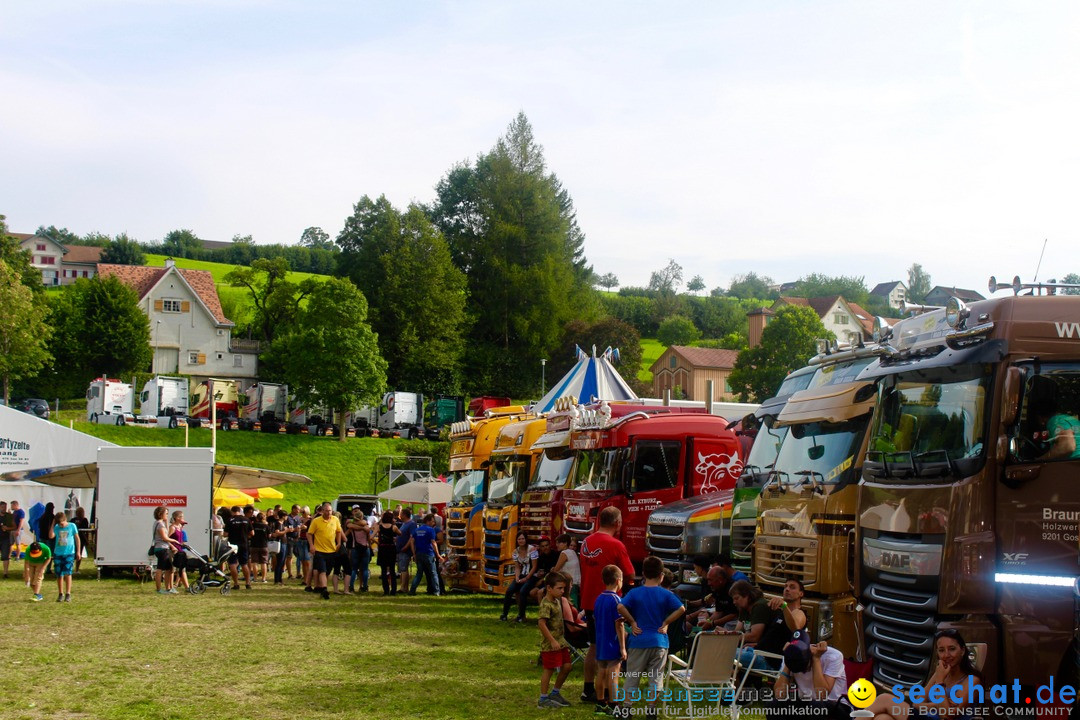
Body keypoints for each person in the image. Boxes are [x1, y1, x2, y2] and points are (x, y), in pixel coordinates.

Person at [578, 506, 635, 704]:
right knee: (613, 650)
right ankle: (611, 693)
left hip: (589, 600)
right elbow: (629, 574)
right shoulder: (616, 544)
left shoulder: (586, 542)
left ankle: (588, 689)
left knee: (593, 646)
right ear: (617, 523)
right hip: (611, 602)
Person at [616, 556, 686, 714]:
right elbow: (681, 609)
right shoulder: (666, 594)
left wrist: (632, 622)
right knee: (656, 677)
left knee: (633, 675)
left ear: (643, 574)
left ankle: (627, 708)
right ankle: (651, 709)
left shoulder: (635, 593)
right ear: (662, 575)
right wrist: (666, 622)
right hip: (659, 641)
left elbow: (620, 606)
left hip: (639, 640)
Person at [867, 629, 982, 720]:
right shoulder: (939, 674)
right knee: (883, 718)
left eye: (952, 649)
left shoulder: (972, 681)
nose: (946, 655)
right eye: (941, 650)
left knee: (884, 699)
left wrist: (940, 681)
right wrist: (936, 705)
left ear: (962, 651)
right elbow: (916, 704)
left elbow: (947, 715)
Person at [769, 634, 849, 720]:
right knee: (773, 705)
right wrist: (788, 661)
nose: (803, 672)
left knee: (817, 705)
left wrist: (816, 659)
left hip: (836, 703)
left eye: (804, 667)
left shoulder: (833, 656)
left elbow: (822, 695)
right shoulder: (791, 655)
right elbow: (779, 694)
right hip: (807, 701)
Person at [537, 571, 574, 709]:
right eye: (559, 588)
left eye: (564, 588)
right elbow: (541, 623)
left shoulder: (557, 601)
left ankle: (555, 692)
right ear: (549, 588)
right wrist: (552, 640)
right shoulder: (546, 604)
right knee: (549, 670)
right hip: (550, 644)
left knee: (567, 666)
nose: (562, 591)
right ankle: (543, 698)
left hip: (561, 642)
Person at [593, 564, 627, 714]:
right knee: (614, 673)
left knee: (601, 671)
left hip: (600, 641)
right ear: (619, 580)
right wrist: (623, 647)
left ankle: (600, 702)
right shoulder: (616, 600)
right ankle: (614, 704)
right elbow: (619, 624)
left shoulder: (599, 599)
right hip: (612, 642)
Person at [730, 579, 785, 670]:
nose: (734, 602)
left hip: (765, 656)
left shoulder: (759, 606)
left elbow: (754, 636)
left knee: (725, 653)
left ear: (747, 596)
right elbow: (737, 632)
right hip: (752, 649)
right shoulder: (744, 608)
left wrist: (730, 636)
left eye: (736, 598)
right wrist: (726, 634)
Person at [307, 502, 344, 600]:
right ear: (322, 511)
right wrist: (311, 545)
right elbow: (309, 534)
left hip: (332, 550)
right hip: (319, 551)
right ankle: (324, 589)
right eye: (326, 511)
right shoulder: (316, 521)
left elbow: (339, 531)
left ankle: (322, 587)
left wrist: (339, 542)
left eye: (330, 511)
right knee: (322, 571)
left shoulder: (335, 520)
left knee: (327, 571)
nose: (328, 513)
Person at [500, 532, 538, 621]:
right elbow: (517, 567)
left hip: (531, 575)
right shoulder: (515, 551)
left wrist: (527, 578)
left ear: (526, 539)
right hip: (521, 574)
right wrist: (517, 577)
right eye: (519, 539)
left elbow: (535, 566)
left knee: (522, 591)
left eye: (523, 539)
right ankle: (504, 614)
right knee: (509, 591)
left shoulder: (532, 549)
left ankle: (521, 615)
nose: (521, 541)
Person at [685, 566, 737, 631]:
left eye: (710, 580)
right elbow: (718, 612)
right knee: (703, 615)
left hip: (735, 620)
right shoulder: (717, 588)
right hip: (723, 617)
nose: (708, 583)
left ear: (720, 580)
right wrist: (708, 622)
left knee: (724, 626)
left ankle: (696, 631)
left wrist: (712, 623)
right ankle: (695, 631)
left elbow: (733, 614)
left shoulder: (733, 589)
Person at [407, 513, 443, 596]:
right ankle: (436, 591)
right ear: (428, 521)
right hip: (429, 554)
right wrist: (437, 554)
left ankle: (412, 590)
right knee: (433, 573)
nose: (433, 523)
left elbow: (412, 542)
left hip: (419, 553)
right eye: (432, 521)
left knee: (419, 573)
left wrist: (414, 553)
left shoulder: (417, 530)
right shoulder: (431, 530)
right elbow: (433, 542)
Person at [50, 511, 80, 603]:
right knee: (59, 574)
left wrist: (78, 552)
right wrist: (53, 524)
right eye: (59, 524)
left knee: (68, 572)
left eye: (62, 524)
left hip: (69, 552)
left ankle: (68, 593)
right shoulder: (56, 527)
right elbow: (51, 536)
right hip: (58, 553)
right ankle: (60, 593)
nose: (61, 526)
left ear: (65, 520)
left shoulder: (72, 526)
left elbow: (77, 538)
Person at [151, 505, 182, 595]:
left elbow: (167, 533)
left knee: (169, 568)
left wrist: (166, 522)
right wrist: (175, 541)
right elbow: (165, 538)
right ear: (161, 514)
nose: (167, 516)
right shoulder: (159, 524)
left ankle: (168, 588)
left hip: (163, 548)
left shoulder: (160, 523)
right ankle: (159, 589)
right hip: (161, 548)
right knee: (160, 569)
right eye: (166, 514)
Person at [225, 505, 253, 591]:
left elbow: (225, 534)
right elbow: (252, 533)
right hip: (244, 544)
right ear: (239, 511)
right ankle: (248, 583)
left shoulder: (230, 520)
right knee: (244, 564)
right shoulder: (246, 520)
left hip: (233, 545)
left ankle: (236, 584)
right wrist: (245, 536)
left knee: (232, 564)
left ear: (232, 512)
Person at [346, 506, 372, 593]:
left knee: (354, 569)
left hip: (355, 547)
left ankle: (351, 586)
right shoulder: (366, 526)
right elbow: (368, 538)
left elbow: (347, 530)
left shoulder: (352, 526)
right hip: (365, 548)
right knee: (364, 569)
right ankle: (364, 586)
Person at [551, 534, 581, 607]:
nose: (556, 545)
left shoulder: (564, 553)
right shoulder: (572, 552)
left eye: (558, 543)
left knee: (569, 604)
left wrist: (552, 569)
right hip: (576, 582)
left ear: (565, 543)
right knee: (573, 603)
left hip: (569, 583)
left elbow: (556, 569)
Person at [376, 511, 400, 595]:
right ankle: (393, 590)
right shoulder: (394, 527)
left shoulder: (379, 527)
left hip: (382, 548)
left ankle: (386, 590)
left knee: (383, 570)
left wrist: (377, 543)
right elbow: (400, 534)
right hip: (391, 548)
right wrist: (394, 539)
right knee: (392, 570)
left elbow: (371, 537)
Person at [395, 507, 416, 594]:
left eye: (401, 513)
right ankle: (404, 587)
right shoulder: (404, 524)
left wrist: (406, 547)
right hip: (400, 549)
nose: (400, 515)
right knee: (402, 568)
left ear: (404, 515)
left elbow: (412, 537)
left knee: (404, 568)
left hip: (405, 550)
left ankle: (403, 587)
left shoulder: (411, 524)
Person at [169, 511, 190, 592]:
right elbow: (167, 539)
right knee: (172, 569)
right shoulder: (172, 527)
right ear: (177, 518)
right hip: (173, 550)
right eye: (182, 517)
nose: (183, 518)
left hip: (180, 550)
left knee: (182, 568)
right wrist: (172, 547)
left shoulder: (180, 527)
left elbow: (180, 539)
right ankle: (171, 587)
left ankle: (187, 587)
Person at [250, 511, 269, 583]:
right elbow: (269, 535)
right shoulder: (266, 526)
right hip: (263, 545)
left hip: (254, 545)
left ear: (257, 518)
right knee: (264, 562)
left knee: (254, 562)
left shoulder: (253, 525)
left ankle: (255, 578)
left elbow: (250, 534)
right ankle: (263, 579)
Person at [297, 506, 313, 588]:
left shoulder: (310, 520)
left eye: (303, 512)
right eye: (301, 512)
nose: (302, 514)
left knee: (307, 561)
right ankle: (305, 579)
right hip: (300, 540)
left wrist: (304, 527)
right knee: (302, 560)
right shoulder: (300, 519)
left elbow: (310, 530)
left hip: (306, 540)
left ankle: (308, 579)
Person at [71, 506, 91, 573]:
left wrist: (87, 540)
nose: (80, 514)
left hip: (81, 539)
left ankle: (77, 569)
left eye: (81, 512)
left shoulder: (85, 520)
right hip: (73, 539)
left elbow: (86, 530)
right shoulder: (73, 520)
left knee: (79, 553)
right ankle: (70, 568)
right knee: (72, 553)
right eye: (79, 512)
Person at [0, 501, 13, 578]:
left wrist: (8, 528)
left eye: (5, 507)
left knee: (5, 556)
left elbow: (14, 526)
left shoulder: (9, 516)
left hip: (5, 538)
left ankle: (5, 573)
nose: (4, 509)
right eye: (2, 507)